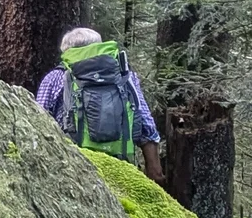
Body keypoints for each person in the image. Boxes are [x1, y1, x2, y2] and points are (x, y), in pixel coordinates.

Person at [36, 27, 162, 180]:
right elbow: (147, 126)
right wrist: (154, 172)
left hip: (73, 171)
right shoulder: (125, 76)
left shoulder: (55, 78)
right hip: (122, 168)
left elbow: (38, 125)